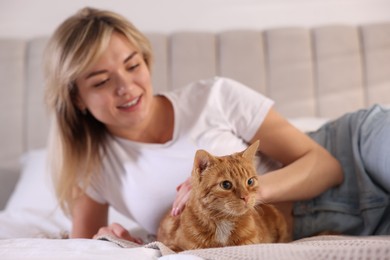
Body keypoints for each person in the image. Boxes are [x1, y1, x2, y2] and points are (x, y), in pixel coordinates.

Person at [44, 7, 390, 244]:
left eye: (133, 65)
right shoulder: (91, 168)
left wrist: (252, 193)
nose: (126, 87)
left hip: (354, 149)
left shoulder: (214, 96)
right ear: (76, 98)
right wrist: (110, 241)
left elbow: (326, 167)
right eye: (102, 81)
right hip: (327, 226)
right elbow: (83, 247)